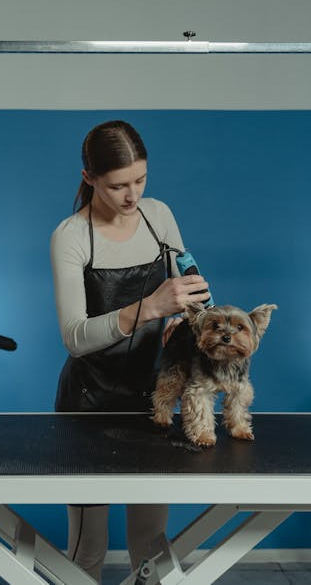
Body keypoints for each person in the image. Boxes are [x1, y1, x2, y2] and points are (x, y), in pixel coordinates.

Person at [49, 120, 210, 581]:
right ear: (89, 178)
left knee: (150, 550)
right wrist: (151, 307)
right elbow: (74, 337)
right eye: (118, 185)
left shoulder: (159, 216)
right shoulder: (71, 236)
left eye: (140, 180)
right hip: (88, 405)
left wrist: (186, 318)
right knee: (87, 552)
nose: (132, 195)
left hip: (152, 400)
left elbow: (192, 292)